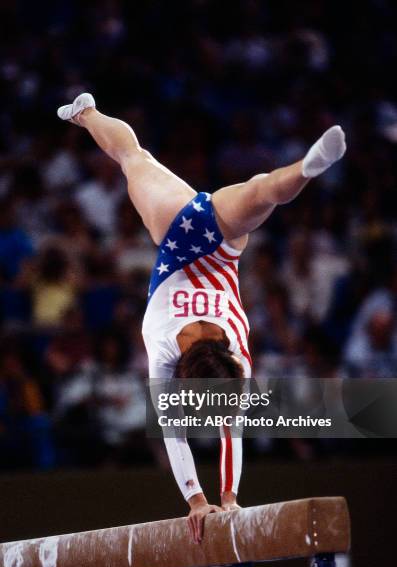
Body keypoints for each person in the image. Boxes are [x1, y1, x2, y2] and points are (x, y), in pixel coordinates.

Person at [57, 93, 346, 543]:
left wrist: (224, 496)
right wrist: (202, 499)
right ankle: (86, 114)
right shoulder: (165, 349)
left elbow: (226, 432)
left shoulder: (231, 349)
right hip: (174, 233)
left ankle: (303, 169)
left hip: (220, 243)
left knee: (262, 189)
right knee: (131, 156)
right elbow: (177, 436)